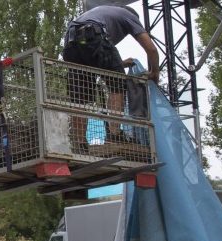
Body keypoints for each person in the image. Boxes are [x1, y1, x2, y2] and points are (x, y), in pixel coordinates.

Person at [62, 5, 160, 151]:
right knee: (117, 84)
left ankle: (78, 143)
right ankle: (114, 134)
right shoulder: (129, 16)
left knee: (80, 96)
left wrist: (120, 64)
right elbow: (151, 49)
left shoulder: (102, 13)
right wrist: (154, 72)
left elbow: (94, 55)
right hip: (93, 34)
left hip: (71, 44)